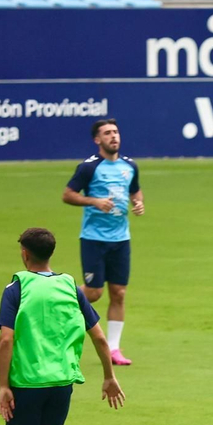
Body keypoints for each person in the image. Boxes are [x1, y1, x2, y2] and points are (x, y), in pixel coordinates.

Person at [0, 227, 125, 425]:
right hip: (62, 382)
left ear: (25, 253)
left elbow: (6, 339)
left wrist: (3, 385)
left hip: (27, 381)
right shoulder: (70, 285)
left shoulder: (16, 287)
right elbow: (97, 335)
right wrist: (109, 376)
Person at [62, 117, 143, 364]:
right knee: (95, 293)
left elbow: (134, 189)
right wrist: (94, 201)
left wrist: (138, 202)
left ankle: (114, 349)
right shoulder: (89, 167)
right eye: (107, 133)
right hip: (94, 239)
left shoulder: (130, 166)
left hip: (121, 240)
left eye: (116, 132)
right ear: (97, 140)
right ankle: (62, 302)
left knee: (118, 293)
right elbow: (68, 195)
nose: (113, 136)